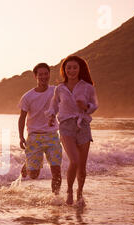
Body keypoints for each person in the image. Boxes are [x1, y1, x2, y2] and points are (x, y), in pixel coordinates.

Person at [45, 55, 98, 205]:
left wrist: (86, 107)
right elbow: (54, 106)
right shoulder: (60, 88)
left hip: (83, 127)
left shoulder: (88, 87)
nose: (72, 70)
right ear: (64, 70)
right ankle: (69, 190)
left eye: (75, 67)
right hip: (66, 126)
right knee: (74, 161)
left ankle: (79, 193)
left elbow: (94, 105)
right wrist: (50, 117)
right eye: (68, 68)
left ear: (80, 69)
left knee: (82, 166)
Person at [17, 63, 62, 195]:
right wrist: (21, 136)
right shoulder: (27, 97)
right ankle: (28, 165)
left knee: (56, 170)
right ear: (35, 76)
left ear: (49, 74)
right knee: (33, 175)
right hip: (34, 137)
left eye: (45, 74)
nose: (43, 77)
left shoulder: (56, 91)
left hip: (52, 135)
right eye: (40, 74)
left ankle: (56, 197)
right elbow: (22, 118)